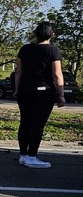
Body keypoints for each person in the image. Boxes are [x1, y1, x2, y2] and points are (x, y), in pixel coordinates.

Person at [13, 21, 66, 168]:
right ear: (52, 34)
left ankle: (23, 155)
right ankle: (32, 156)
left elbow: (18, 72)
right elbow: (57, 74)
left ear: (36, 34)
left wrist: (17, 89)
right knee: (37, 124)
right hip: (44, 91)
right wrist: (61, 95)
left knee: (25, 122)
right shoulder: (53, 51)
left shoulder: (24, 49)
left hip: (25, 90)